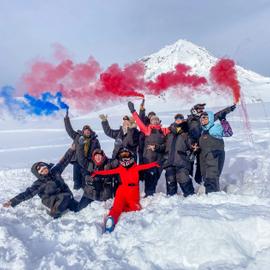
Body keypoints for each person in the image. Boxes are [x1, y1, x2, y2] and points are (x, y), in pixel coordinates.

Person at [91, 148, 160, 232]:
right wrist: (97, 173)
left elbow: (146, 166)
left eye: (126, 155)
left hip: (133, 192)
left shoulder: (135, 167)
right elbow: (109, 172)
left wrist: (154, 164)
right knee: (117, 207)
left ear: (130, 156)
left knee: (137, 208)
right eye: (122, 155)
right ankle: (111, 219)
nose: (125, 158)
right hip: (122, 190)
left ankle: (120, 209)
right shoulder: (120, 168)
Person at [3, 147, 78, 218]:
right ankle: (54, 212)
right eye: (41, 171)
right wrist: (12, 201)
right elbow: (27, 193)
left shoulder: (55, 171)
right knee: (65, 197)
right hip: (51, 201)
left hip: (65, 196)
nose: (44, 170)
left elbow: (64, 161)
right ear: (39, 174)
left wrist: (71, 150)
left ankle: (68, 204)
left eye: (44, 168)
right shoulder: (39, 184)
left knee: (73, 203)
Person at [128, 101, 169, 196]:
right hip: (149, 159)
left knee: (155, 179)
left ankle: (151, 194)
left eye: (157, 120)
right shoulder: (147, 129)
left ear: (159, 121)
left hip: (159, 160)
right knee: (150, 177)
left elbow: (174, 129)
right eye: (153, 120)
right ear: (150, 121)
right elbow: (138, 121)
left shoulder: (163, 130)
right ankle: (148, 195)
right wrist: (133, 110)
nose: (155, 121)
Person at [187, 103, 236, 184]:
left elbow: (216, 116)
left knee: (204, 168)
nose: (201, 111)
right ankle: (196, 185)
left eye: (202, 109)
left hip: (205, 143)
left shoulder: (206, 119)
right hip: (195, 145)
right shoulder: (190, 120)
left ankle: (203, 184)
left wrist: (228, 110)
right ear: (194, 110)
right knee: (192, 166)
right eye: (199, 109)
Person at [64, 109, 100, 190]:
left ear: (90, 132)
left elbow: (98, 151)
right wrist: (66, 119)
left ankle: (86, 189)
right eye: (85, 130)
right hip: (77, 160)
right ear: (83, 131)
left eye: (88, 130)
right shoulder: (77, 136)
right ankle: (76, 189)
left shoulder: (94, 140)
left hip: (88, 161)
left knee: (86, 176)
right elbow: (69, 130)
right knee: (76, 177)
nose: (87, 131)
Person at [199, 110, 233, 193]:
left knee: (212, 176)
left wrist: (223, 120)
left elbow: (229, 133)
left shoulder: (215, 128)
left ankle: (212, 197)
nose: (202, 120)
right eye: (201, 118)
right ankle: (212, 196)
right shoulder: (203, 131)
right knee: (206, 177)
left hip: (215, 156)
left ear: (210, 119)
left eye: (205, 118)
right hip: (205, 158)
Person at [163, 114, 197, 197]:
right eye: (176, 118)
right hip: (169, 161)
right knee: (170, 180)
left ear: (183, 120)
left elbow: (191, 144)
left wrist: (194, 147)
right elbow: (164, 146)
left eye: (180, 118)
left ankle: (190, 196)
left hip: (182, 160)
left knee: (183, 178)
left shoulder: (186, 133)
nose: (178, 120)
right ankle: (171, 198)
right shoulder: (169, 134)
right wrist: (156, 147)